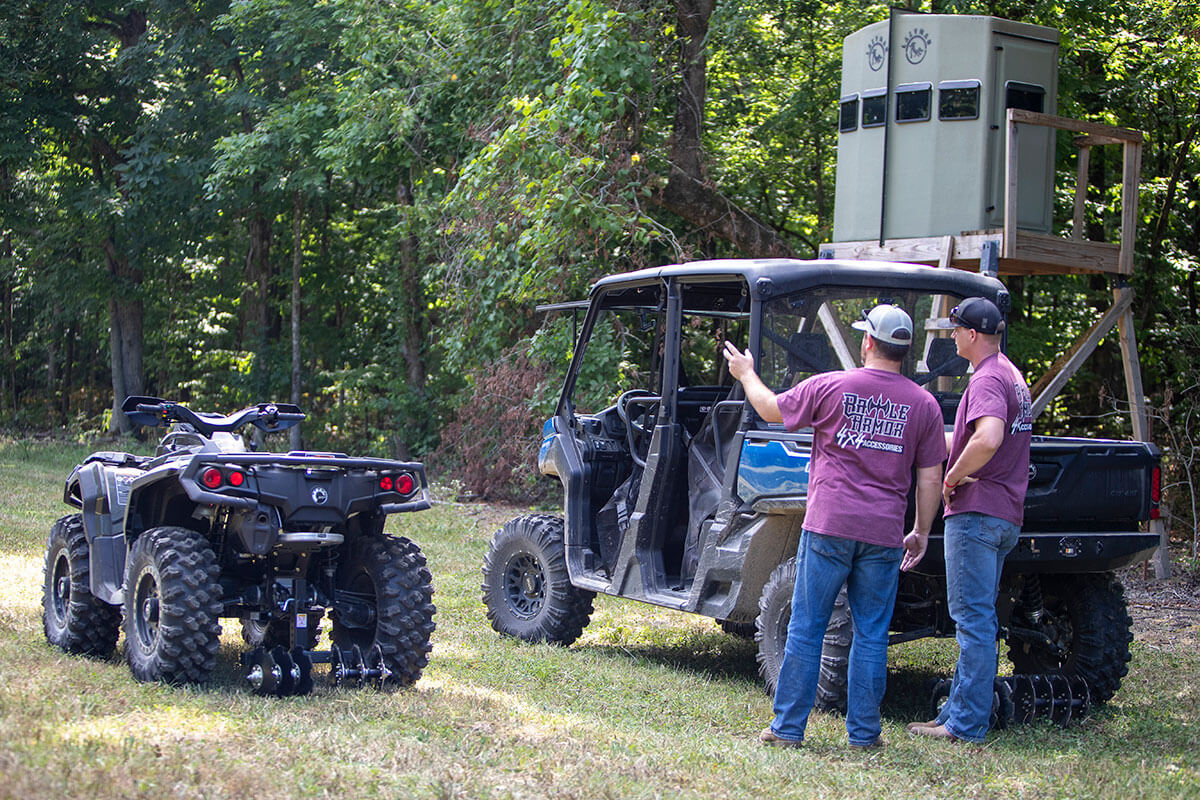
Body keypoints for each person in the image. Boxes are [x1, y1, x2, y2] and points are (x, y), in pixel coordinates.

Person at [723, 304, 946, 749]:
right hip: (883, 535)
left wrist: (746, 372)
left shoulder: (831, 386)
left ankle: (788, 730)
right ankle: (864, 735)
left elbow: (769, 410)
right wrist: (920, 529)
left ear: (867, 342)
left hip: (828, 527)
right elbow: (931, 476)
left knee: (807, 626)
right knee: (871, 633)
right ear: (904, 350)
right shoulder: (925, 405)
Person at [908, 296, 1032, 743]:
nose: (953, 335)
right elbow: (980, 433)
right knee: (980, 620)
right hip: (1003, 516)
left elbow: (989, 437)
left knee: (973, 622)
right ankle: (956, 715)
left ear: (973, 334)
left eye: (956, 329)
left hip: (977, 513)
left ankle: (966, 725)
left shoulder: (985, 380)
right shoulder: (1011, 374)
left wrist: (952, 476)